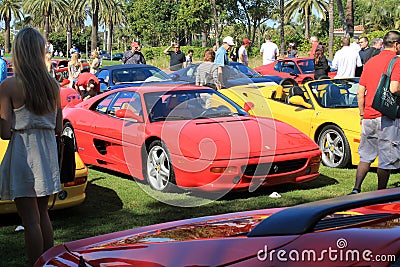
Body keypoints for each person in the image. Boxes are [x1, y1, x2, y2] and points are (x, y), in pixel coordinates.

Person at [0, 27, 62, 266]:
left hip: (24, 154)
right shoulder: (53, 86)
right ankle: (49, 262)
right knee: (43, 214)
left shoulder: (9, 86)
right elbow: (59, 127)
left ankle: (36, 263)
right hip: (46, 153)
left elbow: (4, 133)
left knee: (30, 220)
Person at [349, 30, 400, 195]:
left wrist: (362, 114)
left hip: (369, 115)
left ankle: (356, 188)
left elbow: (360, 91)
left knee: (365, 155)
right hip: (386, 116)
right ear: (396, 45)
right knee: (386, 158)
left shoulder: (370, 61)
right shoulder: (396, 62)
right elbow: (394, 88)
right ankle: (381, 194)